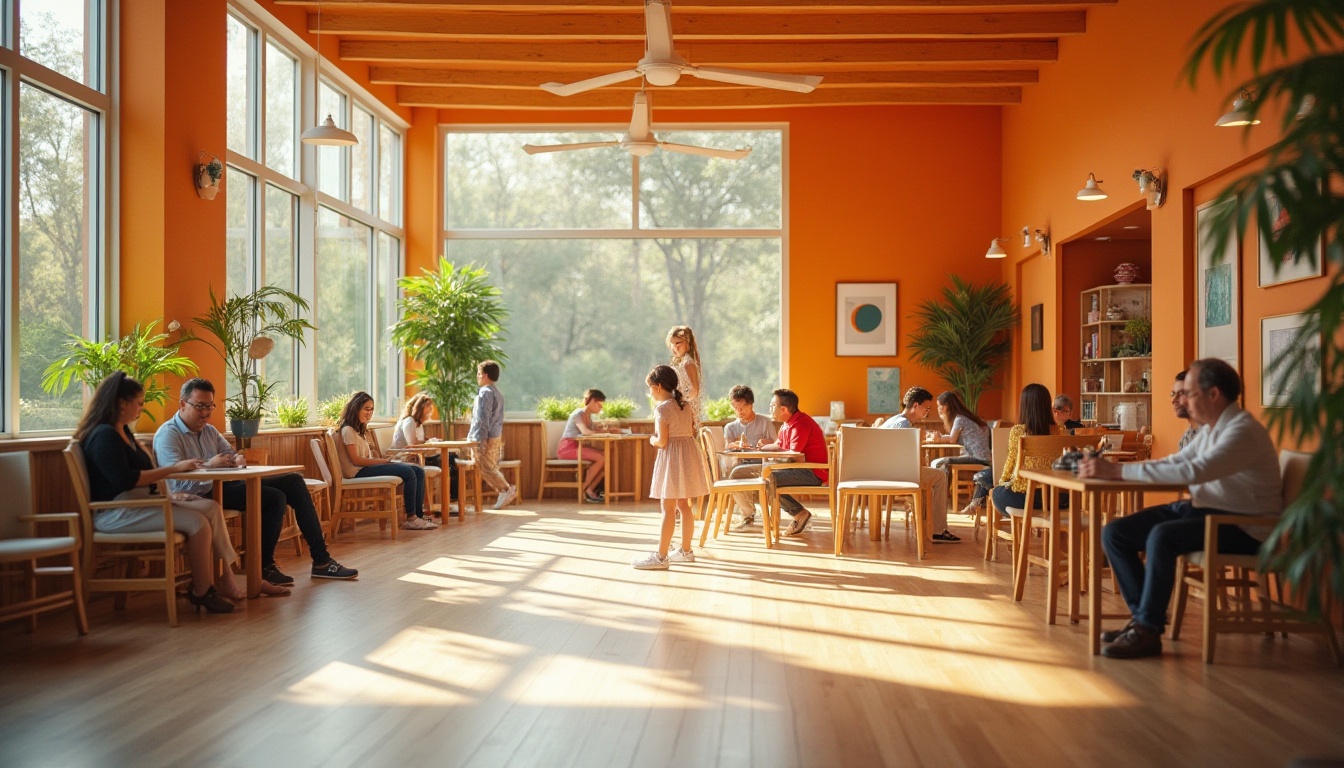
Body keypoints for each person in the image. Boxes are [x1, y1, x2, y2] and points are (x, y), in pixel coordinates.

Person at [1079, 358, 1281, 660]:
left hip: (1244, 527)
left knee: (1162, 536)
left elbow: (1195, 471)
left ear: (1213, 394)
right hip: (1208, 512)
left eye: (1188, 392)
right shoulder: (1212, 430)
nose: (1182, 399)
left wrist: (1117, 473)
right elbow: (1176, 462)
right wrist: (1118, 469)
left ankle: (1147, 629)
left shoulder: (1242, 431)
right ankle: (1143, 622)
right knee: (1115, 532)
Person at [156, 378, 357, 586]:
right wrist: (211, 464)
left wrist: (237, 458)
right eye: (200, 406)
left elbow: (232, 454)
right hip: (196, 496)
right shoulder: (168, 434)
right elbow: (176, 479)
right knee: (274, 498)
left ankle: (322, 561)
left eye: (210, 406)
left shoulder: (209, 431)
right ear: (182, 404)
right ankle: (263, 567)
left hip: (223, 486)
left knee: (294, 482)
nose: (206, 413)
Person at [75, 372, 238, 614]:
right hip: (118, 512)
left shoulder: (122, 432)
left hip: (141, 503)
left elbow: (139, 476)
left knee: (210, 507)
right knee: (198, 523)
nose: (141, 409)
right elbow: (125, 480)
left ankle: (223, 579)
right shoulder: (104, 436)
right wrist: (172, 470)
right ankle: (203, 590)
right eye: (139, 403)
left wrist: (171, 496)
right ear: (122, 403)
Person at [633, 365, 709, 570]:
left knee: (667, 508)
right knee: (684, 505)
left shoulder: (662, 408)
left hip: (672, 458)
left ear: (658, 387)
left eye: (650, 389)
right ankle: (686, 551)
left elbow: (663, 441)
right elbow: (691, 430)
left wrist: (652, 440)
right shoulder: (685, 405)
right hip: (688, 455)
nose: (650, 393)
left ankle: (661, 556)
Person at [339, 391, 436, 530]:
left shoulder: (359, 430)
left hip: (365, 468)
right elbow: (356, 460)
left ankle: (418, 517)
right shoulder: (348, 430)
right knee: (408, 471)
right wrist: (380, 462)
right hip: (357, 472)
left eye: (372, 409)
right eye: (366, 409)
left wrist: (380, 460)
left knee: (418, 471)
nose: (370, 413)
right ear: (356, 407)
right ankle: (411, 518)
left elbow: (364, 457)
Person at [877, 386, 955, 543]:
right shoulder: (904, 425)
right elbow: (906, 456)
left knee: (931, 473)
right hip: (897, 473)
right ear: (916, 406)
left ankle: (928, 522)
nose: (927, 412)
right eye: (926, 408)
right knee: (939, 475)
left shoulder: (893, 420)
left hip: (883, 470)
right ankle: (937, 530)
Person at [757, 388, 829, 537]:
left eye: (772, 406)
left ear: (783, 409)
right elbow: (779, 446)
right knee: (764, 476)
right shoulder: (787, 424)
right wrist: (764, 446)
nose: (770, 408)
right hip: (801, 469)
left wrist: (770, 451)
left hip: (814, 472)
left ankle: (799, 513)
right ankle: (794, 515)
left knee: (767, 478)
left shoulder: (801, 424)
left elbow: (792, 455)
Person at [986, 383, 1061, 518]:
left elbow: (1012, 462)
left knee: (996, 493)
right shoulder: (1058, 431)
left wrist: (1001, 483)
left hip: (1025, 498)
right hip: (1054, 498)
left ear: (1025, 406)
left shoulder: (1018, 431)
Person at [720, 385, 779, 531]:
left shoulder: (765, 422)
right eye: (736, 408)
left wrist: (767, 442)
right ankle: (748, 514)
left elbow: (777, 444)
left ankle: (751, 515)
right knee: (734, 472)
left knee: (735, 474)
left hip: (763, 465)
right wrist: (734, 445)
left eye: (743, 407)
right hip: (741, 464)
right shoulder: (730, 427)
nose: (739, 412)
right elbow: (726, 447)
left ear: (751, 404)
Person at [393, 393, 460, 515]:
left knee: (453, 458)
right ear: (420, 409)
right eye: (427, 411)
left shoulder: (418, 424)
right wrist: (429, 441)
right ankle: (449, 502)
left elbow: (421, 440)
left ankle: (451, 501)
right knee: (450, 459)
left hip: (418, 456)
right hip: (407, 458)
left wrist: (429, 439)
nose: (428, 414)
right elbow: (412, 443)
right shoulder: (409, 421)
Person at [467, 359, 517, 509]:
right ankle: (505, 490)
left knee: (486, 467)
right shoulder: (498, 394)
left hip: (484, 437)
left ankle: (506, 489)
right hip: (495, 436)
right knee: (490, 466)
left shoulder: (485, 393)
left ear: (485, 375)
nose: (477, 376)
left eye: (478, 373)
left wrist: (480, 439)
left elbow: (483, 419)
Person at [559, 388, 613, 503]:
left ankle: (589, 489)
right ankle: (583, 489)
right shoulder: (578, 414)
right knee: (601, 458)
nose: (601, 408)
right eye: (599, 404)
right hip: (567, 448)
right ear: (593, 401)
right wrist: (602, 432)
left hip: (577, 447)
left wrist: (610, 430)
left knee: (605, 457)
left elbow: (593, 430)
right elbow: (586, 432)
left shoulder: (588, 416)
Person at [666, 326, 705, 428]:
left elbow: (694, 390)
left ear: (688, 343)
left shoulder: (688, 363)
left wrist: (680, 403)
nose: (675, 347)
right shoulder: (682, 362)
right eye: (672, 343)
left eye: (678, 343)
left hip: (689, 414)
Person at [1171, 370, 1201, 451]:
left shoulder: (1215, 435)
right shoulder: (1185, 439)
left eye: (1181, 393)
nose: (1174, 400)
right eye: (1173, 394)